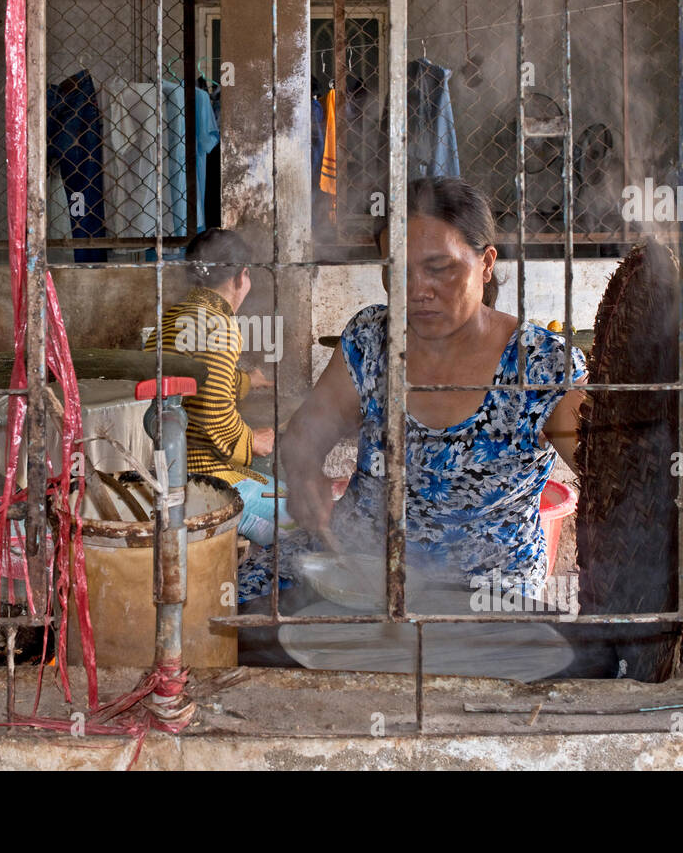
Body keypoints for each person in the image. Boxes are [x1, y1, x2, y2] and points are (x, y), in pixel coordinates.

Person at [260, 176, 586, 603]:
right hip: (357, 562)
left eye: (439, 269)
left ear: (486, 263)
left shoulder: (541, 364)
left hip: (479, 585)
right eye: (397, 270)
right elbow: (305, 434)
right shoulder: (371, 339)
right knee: (242, 608)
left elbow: (612, 476)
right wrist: (303, 474)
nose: (416, 291)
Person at [143, 228, 291, 546]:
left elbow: (197, 378)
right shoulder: (221, 325)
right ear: (242, 276)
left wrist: (249, 381)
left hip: (168, 474)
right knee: (298, 509)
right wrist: (253, 441)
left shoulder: (168, 321)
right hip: (207, 482)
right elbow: (213, 415)